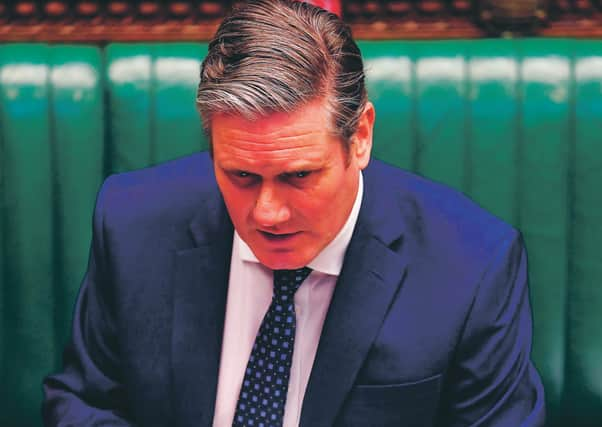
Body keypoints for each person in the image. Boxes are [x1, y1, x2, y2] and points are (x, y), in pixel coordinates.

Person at [42, 0, 545, 426]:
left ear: (361, 136)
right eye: (240, 176)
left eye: (299, 176)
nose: (268, 213)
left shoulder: (474, 266)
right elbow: (82, 402)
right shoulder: (133, 221)